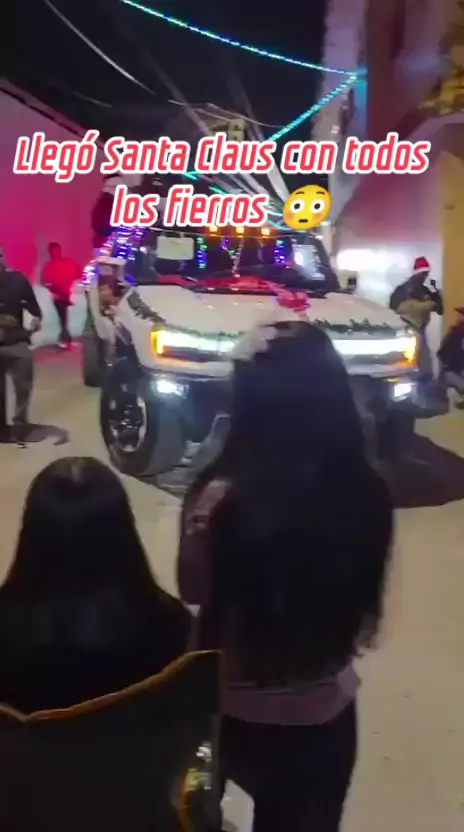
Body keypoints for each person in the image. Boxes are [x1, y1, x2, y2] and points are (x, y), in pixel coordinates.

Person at [178, 318, 394, 832]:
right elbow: (362, 607)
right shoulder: (365, 491)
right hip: (321, 712)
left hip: (224, 710)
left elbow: (193, 589)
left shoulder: (218, 496)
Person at [0, 457, 191, 712]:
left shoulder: (8, 640)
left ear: (31, 536)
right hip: (139, 739)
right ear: (124, 536)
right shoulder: (173, 628)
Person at [0, 245, 42, 446]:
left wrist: (36, 320)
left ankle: (19, 426)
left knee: (23, 387)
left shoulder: (17, 280)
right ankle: (1, 431)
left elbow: (34, 308)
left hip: (17, 342)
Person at [389, 256, 443, 382]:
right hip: (407, 331)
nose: (425, 276)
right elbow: (393, 310)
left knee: (423, 365)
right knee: (411, 364)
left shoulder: (425, 290)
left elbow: (440, 310)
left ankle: (421, 385)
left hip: (420, 330)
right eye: (423, 273)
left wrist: (437, 295)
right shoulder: (402, 291)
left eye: (426, 273)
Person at [41, 242, 81, 348]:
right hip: (60, 294)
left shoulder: (64, 263)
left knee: (63, 317)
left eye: (55, 250)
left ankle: (65, 339)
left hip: (64, 294)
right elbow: (46, 282)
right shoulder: (50, 265)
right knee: (63, 317)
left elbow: (79, 274)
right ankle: (65, 339)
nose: (54, 253)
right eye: (52, 251)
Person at [437, 306, 464, 407]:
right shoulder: (455, 332)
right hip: (456, 368)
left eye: (460, 315)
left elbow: (443, 353)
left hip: (455, 369)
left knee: (447, 376)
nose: (458, 316)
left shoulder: (456, 332)